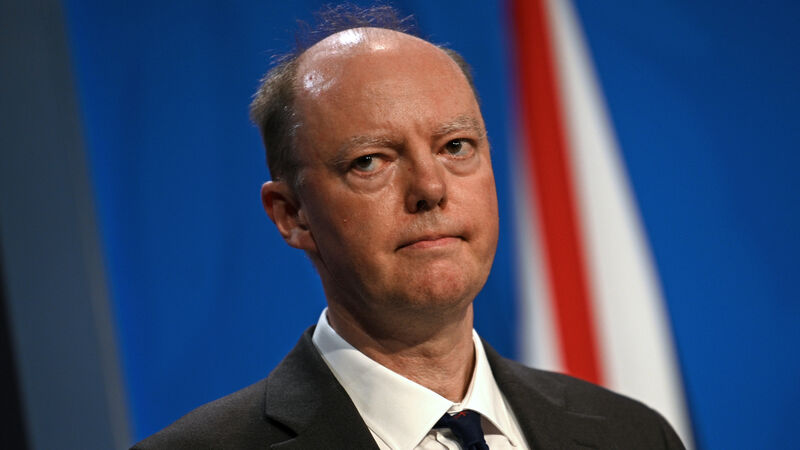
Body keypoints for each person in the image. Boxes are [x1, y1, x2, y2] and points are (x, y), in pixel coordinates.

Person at [133, 6, 684, 450]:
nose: (431, 187)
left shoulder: (632, 434)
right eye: (370, 160)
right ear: (291, 214)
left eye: (455, 146)